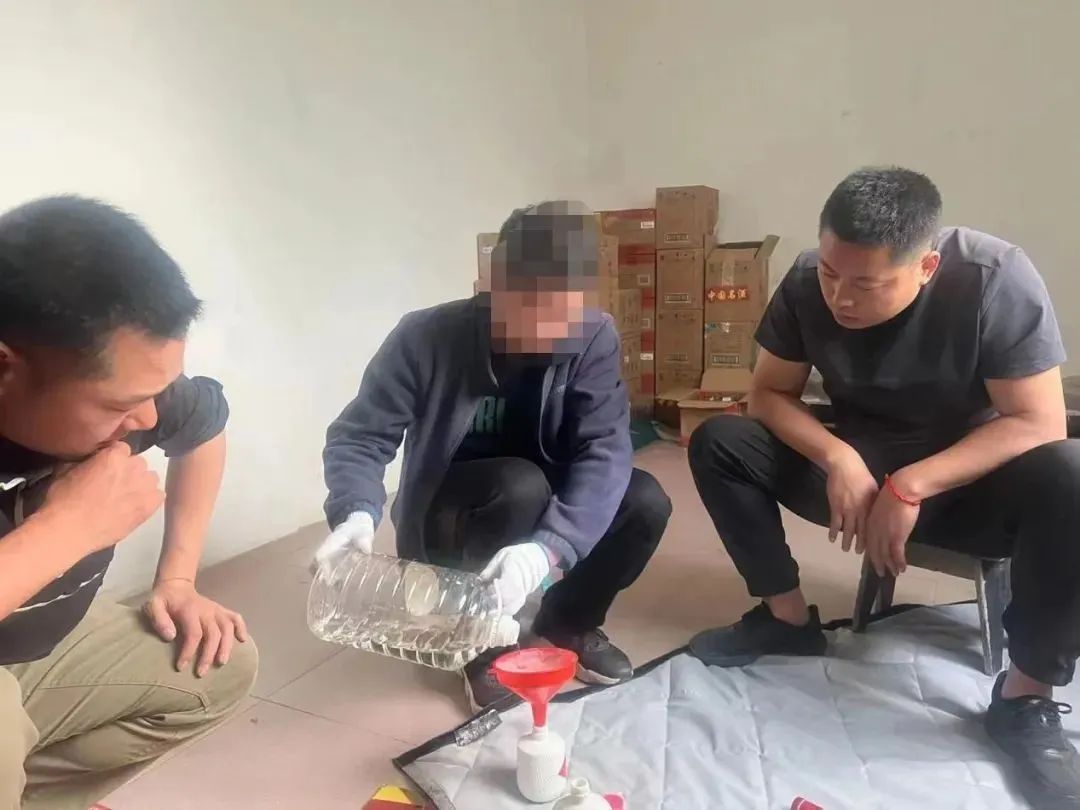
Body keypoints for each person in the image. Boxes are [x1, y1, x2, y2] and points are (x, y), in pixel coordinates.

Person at [687, 166, 1080, 806]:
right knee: (720, 442)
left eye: (865, 284)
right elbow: (768, 394)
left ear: (926, 267)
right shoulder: (806, 281)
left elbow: (1040, 423)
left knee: (1072, 472)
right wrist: (838, 457)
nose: (840, 298)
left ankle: (1025, 697)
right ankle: (787, 621)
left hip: (968, 483)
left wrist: (912, 485)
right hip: (858, 477)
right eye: (830, 274)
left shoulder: (994, 277)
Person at [319, 200, 671, 711]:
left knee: (644, 500)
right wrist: (355, 510)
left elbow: (604, 450)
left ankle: (567, 622)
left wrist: (548, 550)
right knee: (518, 483)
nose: (550, 332)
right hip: (456, 512)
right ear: (491, 286)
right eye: (532, 310)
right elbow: (362, 435)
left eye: (565, 314)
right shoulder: (425, 337)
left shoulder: (593, 337)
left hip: (538, 499)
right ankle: (482, 645)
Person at [0, 197, 257, 810]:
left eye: (156, 392)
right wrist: (66, 527)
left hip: (34, 649)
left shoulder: (135, 395)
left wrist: (178, 579)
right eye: (119, 406)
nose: (145, 419)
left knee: (216, 660)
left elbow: (203, 428)